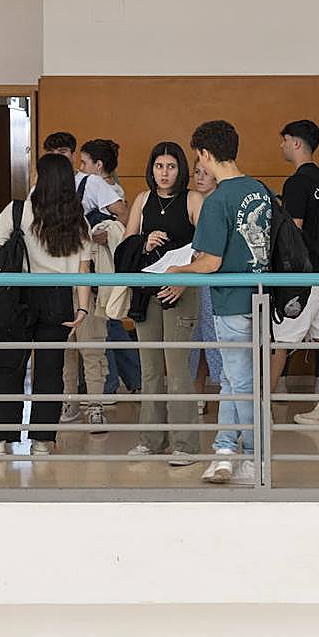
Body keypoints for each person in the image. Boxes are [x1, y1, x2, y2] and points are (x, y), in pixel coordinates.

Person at [168, 120, 272, 484]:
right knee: (236, 380)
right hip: (262, 298)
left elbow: (210, 262)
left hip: (231, 302)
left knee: (239, 382)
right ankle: (227, 448)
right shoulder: (260, 191)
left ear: (206, 154)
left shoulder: (217, 201)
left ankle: (254, 454)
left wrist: (177, 271)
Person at [0, 153, 92, 456]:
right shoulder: (79, 221)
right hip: (58, 297)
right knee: (50, 372)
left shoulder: (17, 211)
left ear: (39, 177)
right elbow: (82, 271)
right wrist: (81, 308)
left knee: (9, 368)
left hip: (18, 296)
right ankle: (43, 441)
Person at [41, 132, 130, 425]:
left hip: (87, 275)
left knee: (92, 345)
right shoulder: (40, 190)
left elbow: (124, 214)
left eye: (65, 152)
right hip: (55, 277)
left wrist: (107, 234)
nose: (61, 158)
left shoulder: (89, 183)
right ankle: (70, 403)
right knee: (65, 348)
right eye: (53, 152)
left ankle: (96, 406)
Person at [125, 142, 205, 464]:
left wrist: (185, 279)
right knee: (151, 370)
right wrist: (144, 241)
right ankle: (150, 440)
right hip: (147, 292)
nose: (165, 173)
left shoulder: (193, 199)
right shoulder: (143, 200)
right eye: (159, 166)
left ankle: (185, 445)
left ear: (180, 169)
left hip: (180, 292)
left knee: (178, 369)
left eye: (171, 166)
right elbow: (127, 243)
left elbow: (207, 248)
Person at [267, 120, 319, 426]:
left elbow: (292, 234)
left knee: (281, 343)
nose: (282, 146)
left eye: (285, 140)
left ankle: (259, 410)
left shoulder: (297, 183)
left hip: (305, 276)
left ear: (297, 143)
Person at [80, 138, 141, 411]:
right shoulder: (106, 187)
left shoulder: (102, 188)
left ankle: (110, 385)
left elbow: (125, 218)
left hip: (102, 266)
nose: (80, 168)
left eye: (84, 163)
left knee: (106, 324)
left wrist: (109, 234)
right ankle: (130, 381)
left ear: (98, 165)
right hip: (103, 266)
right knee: (110, 323)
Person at [188, 161, 224, 409]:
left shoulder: (220, 203)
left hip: (214, 280)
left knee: (217, 338)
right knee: (195, 340)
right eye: (196, 173)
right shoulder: (189, 201)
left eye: (206, 173)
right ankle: (196, 395)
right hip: (191, 279)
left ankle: (227, 396)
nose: (200, 178)